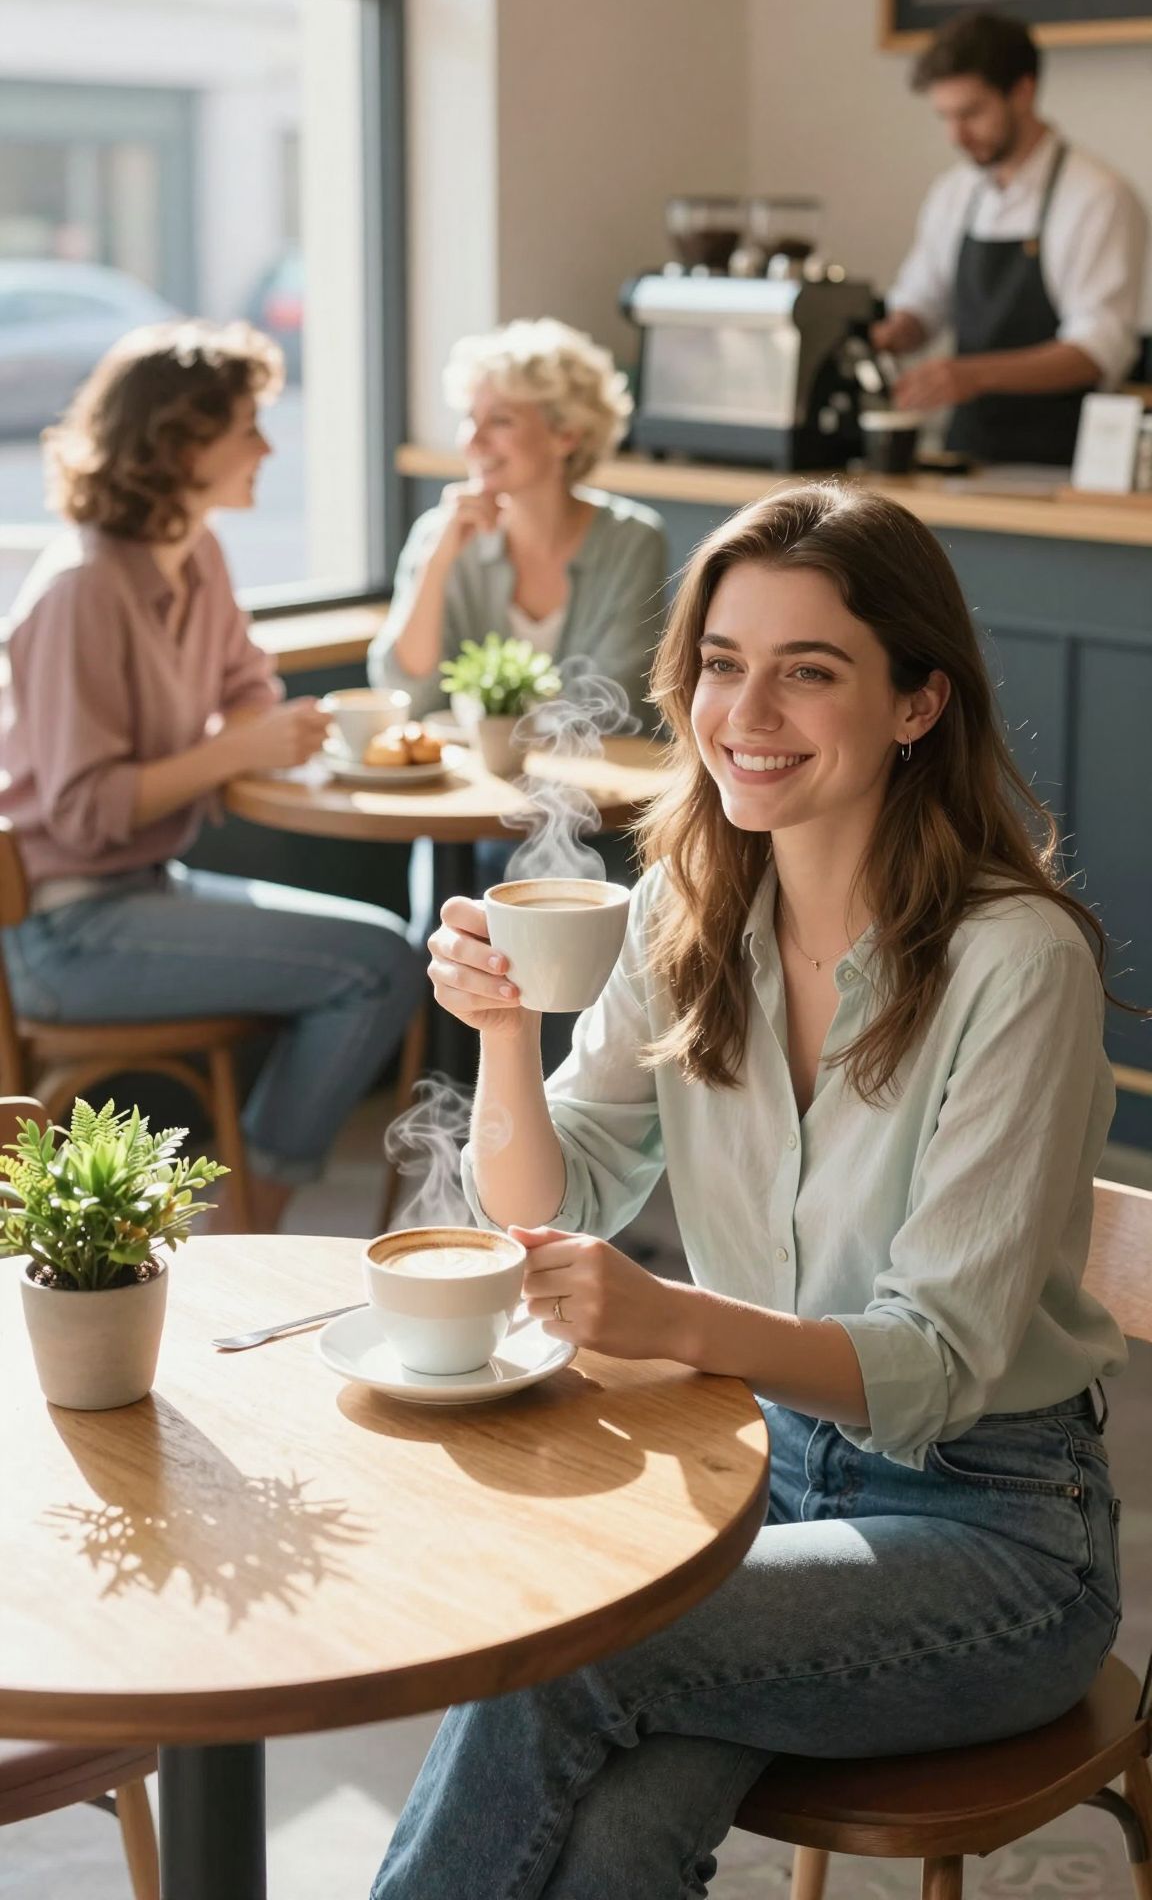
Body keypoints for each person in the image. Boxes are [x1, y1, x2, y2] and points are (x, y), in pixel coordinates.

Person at [372, 480, 1127, 1900]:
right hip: (767, 1486)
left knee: (569, 1652)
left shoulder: (1016, 964)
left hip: (994, 1534)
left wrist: (680, 1325)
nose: (747, 712)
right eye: (723, 665)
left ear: (917, 704)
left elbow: (944, 1362)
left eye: (809, 671)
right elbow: (560, 1200)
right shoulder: (685, 909)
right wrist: (508, 1035)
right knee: (612, 1832)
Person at [0, 320, 423, 1234]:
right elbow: (82, 813)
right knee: (380, 963)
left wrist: (247, 729)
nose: (268, 446)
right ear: (180, 441)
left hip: (145, 888)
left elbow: (244, 685)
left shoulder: (195, 552)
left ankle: (241, 1215)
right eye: (248, 426)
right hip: (67, 928)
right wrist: (237, 750)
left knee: (385, 950)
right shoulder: (83, 589)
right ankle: (246, 1224)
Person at [871, 9, 1147, 466]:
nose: (956, 135)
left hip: (1066, 463)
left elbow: (1098, 350)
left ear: (1023, 92)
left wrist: (971, 375)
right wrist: (893, 333)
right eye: (944, 116)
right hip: (962, 457)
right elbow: (923, 304)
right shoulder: (953, 193)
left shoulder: (1097, 197)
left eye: (971, 113)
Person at [368, 317, 668, 725]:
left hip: (593, 782)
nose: (472, 441)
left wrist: (494, 726)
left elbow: (618, 704)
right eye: (470, 418)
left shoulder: (633, 540)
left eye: (500, 420)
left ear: (566, 435)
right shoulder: (440, 535)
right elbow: (408, 696)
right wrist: (436, 563)